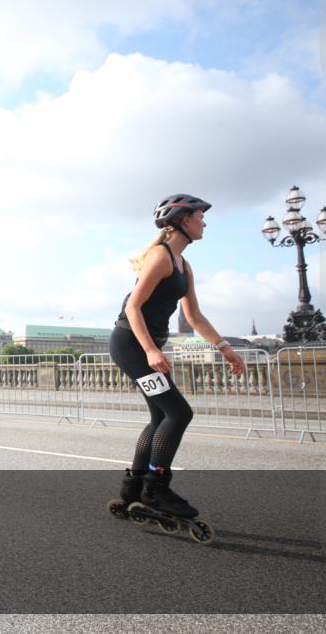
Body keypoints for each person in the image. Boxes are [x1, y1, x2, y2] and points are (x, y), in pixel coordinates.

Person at [111, 194, 245, 518]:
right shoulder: (160, 256)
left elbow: (194, 316)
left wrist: (225, 348)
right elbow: (133, 307)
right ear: (184, 220)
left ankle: (133, 489)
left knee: (161, 417)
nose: (204, 222)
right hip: (132, 345)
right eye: (200, 216)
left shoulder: (184, 265)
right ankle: (156, 489)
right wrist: (150, 350)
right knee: (179, 413)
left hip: (147, 346)